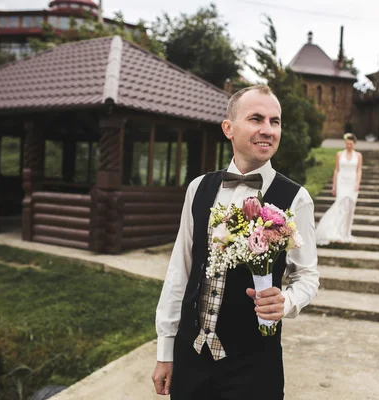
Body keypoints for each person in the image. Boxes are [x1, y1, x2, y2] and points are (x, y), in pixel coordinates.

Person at [152, 85, 319, 400]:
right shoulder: (198, 188)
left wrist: (288, 301)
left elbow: (307, 275)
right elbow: (179, 272)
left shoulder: (296, 198)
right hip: (190, 357)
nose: (267, 130)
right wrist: (166, 350)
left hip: (254, 365)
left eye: (275, 121)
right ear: (228, 128)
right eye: (256, 119)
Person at [315, 133, 362, 244]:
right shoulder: (339, 154)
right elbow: (336, 170)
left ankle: (346, 232)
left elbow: (359, 170)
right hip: (342, 182)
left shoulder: (358, 155)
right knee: (340, 204)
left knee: (350, 207)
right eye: (347, 144)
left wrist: (358, 183)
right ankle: (335, 231)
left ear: (354, 144)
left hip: (352, 182)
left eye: (350, 144)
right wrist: (334, 185)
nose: (348, 146)